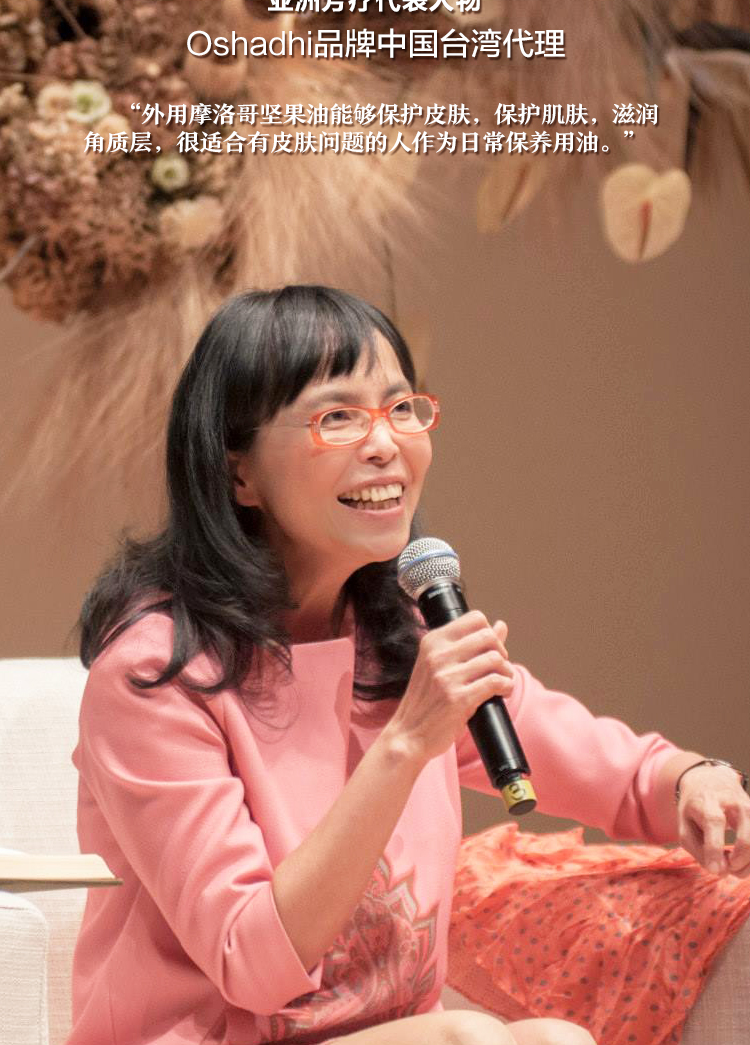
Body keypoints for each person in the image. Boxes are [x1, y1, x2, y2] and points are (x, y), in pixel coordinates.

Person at [67, 284, 750, 1045]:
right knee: (472, 1040)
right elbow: (249, 962)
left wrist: (694, 780)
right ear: (239, 474)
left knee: (556, 1039)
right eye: (337, 417)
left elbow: (605, 766)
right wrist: (405, 743)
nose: (385, 443)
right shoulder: (155, 676)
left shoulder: (399, 632)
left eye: (401, 408)